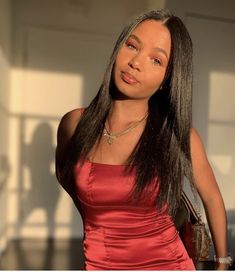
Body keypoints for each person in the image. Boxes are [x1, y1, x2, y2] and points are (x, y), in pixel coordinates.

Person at [55, 9, 230, 270]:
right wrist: (96, 218)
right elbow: (67, 177)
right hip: (100, 263)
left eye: (156, 61)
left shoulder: (176, 136)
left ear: (166, 81)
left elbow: (212, 197)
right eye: (132, 46)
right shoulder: (74, 124)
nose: (135, 62)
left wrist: (223, 262)